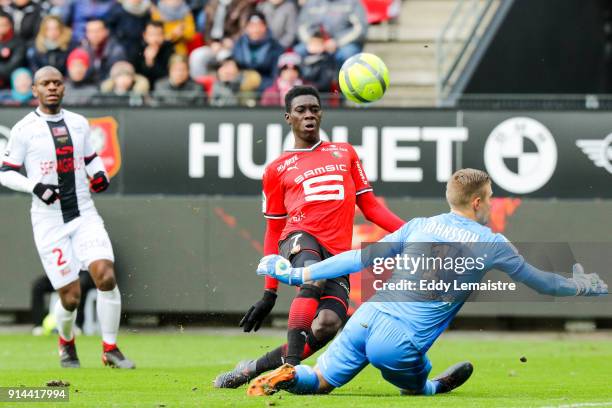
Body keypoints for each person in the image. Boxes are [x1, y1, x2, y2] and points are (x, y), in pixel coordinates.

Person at [249, 168, 609, 396]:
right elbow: (545, 284)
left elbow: (359, 258)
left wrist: (298, 274)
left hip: (366, 316)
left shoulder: (420, 224)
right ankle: (434, 387)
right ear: (479, 202)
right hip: (397, 342)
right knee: (420, 386)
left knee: (321, 382)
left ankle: (292, 377)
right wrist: (583, 285)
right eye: (491, 199)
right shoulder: (493, 243)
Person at [214, 85, 405, 388]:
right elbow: (274, 229)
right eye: (301, 110)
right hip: (300, 237)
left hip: (338, 254)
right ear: (288, 117)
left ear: (321, 113)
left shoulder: (345, 152)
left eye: (314, 109)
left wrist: (411, 232)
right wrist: (269, 292)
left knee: (328, 326)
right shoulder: (277, 169)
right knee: (312, 278)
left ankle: (251, 369)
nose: (309, 115)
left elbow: (370, 207)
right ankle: (289, 367)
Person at [0, 66, 135, 369]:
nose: (51, 88)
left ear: (63, 88)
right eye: (45, 83)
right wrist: (35, 186)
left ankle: (110, 349)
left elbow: (90, 157)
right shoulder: (24, 129)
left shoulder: (78, 123)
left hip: (84, 213)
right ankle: (66, 342)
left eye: (57, 83)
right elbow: (6, 172)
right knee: (70, 297)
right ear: (34, 90)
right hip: (49, 222)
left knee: (105, 275)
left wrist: (98, 174)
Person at [295, 0, 368, 66]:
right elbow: (301, 26)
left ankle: (344, 80)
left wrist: (337, 43)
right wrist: (312, 42)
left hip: (343, 44)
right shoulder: (311, 3)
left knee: (347, 53)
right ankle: (304, 80)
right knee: (298, 51)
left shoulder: (352, 3)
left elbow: (360, 29)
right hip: (315, 41)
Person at [231, 11, 284, 91]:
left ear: (265, 27)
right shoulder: (239, 44)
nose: (255, 30)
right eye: (252, 26)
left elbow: (275, 76)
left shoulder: (275, 47)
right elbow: (234, 66)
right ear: (246, 28)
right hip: (241, 82)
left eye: (259, 26)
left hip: (265, 85)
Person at [80, 18, 127, 84]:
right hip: (85, 87)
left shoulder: (116, 50)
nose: (94, 34)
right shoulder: (82, 50)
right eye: (90, 31)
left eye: (97, 31)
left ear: (106, 31)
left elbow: (116, 75)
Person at [134, 20, 174, 89]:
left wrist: (152, 62)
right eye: (151, 34)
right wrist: (148, 61)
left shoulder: (169, 49)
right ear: (145, 35)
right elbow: (137, 74)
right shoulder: (138, 49)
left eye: (159, 34)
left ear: (163, 36)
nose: (155, 38)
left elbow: (167, 75)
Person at [0, 11, 26, 89]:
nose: (1, 28)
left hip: (11, 80)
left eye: (4, 25)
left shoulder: (18, 42)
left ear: (10, 25)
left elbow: (13, 66)